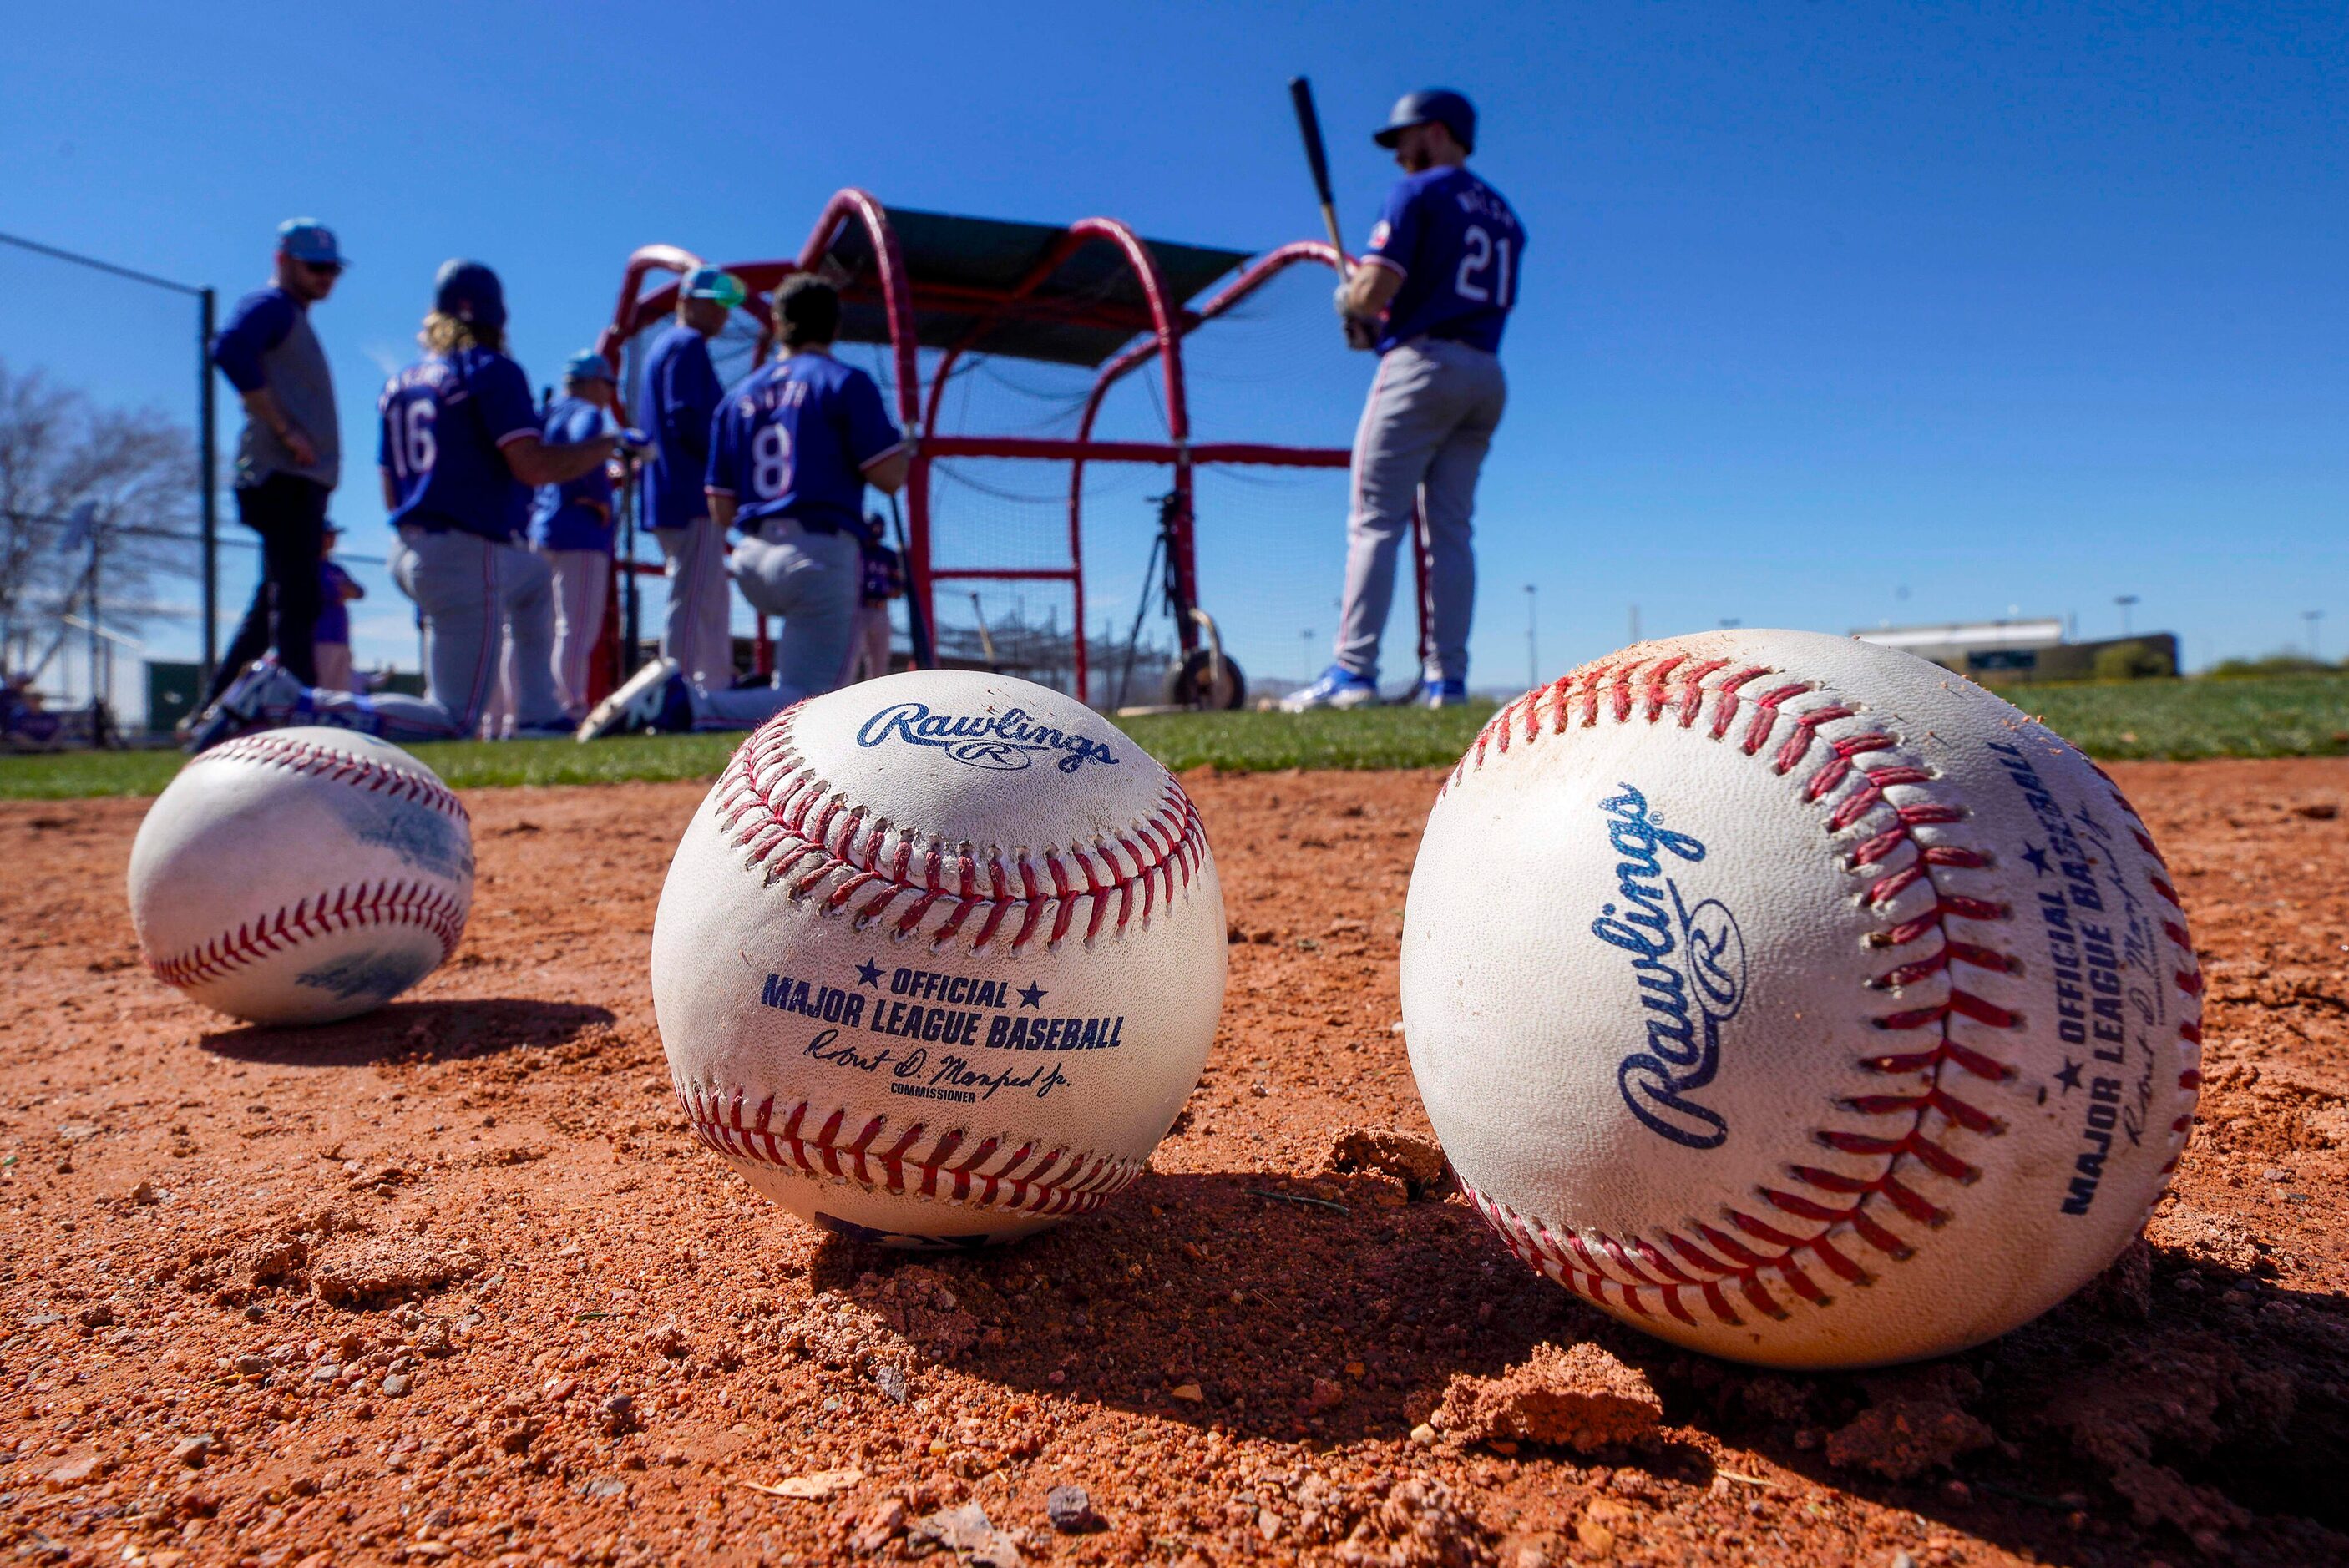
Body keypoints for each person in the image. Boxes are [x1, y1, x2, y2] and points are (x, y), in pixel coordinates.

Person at [191, 260, 621, 751]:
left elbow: (387, 485)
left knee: (535, 578)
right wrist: (606, 447)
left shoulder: (401, 381)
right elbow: (532, 465)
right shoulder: (489, 368)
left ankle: (540, 714)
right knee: (453, 721)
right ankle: (287, 704)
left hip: (412, 548)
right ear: (495, 313)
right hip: (465, 551)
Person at [580, 277, 910, 737]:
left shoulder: (739, 396)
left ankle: (692, 699)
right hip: (818, 552)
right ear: (834, 326)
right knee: (814, 701)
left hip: (753, 560)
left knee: (790, 682)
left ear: (777, 324)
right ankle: (682, 706)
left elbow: (721, 508)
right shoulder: (844, 380)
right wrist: (904, 447)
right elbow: (889, 476)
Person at [1284, 89, 1522, 711]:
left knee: (1374, 520)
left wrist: (1353, 305)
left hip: (1421, 367)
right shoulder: (1504, 213)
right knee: (1450, 531)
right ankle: (1447, 681)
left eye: (1405, 140)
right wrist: (1380, 324)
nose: (1399, 157)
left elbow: (1373, 289)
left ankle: (1352, 672)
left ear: (1436, 132)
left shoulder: (1419, 193)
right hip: (1485, 371)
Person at [195, 219, 347, 717]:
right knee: (298, 599)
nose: (325, 277)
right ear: (283, 261)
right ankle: (298, 707)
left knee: (274, 604)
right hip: (282, 477)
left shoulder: (294, 316)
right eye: (315, 267)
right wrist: (284, 428)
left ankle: (214, 708)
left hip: (298, 479)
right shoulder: (271, 307)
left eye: (332, 269)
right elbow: (229, 348)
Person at [635, 265, 744, 692]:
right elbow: (686, 419)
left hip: (671, 492)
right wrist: (728, 470)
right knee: (694, 597)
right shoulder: (687, 344)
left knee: (709, 595)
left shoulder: (668, 346)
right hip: (690, 493)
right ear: (688, 302)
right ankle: (673, 688)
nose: (722, 315)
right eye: (715, 305)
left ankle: (712, 686)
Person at [532, 351, 627, 721]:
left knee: (534, 630)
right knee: (575, 629)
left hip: (541, 529)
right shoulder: (586, 413)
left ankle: (512, 714)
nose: (610, 393)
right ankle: (568, 707)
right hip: (580, 530)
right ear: (592, 381)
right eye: (608, 384)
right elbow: (582, 446)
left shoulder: (547, 412)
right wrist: (591, 494)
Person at [843, 512, 904, 683]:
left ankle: (875, 700)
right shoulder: (855, 552)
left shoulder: (888, 555)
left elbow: (898, 589)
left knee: (879, 663)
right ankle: (844, 698)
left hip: (880, 610)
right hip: (857, 611)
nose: (876, 530)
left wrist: (884, 590)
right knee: (850, 660)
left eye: (879, 527)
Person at [313, 525, 364, 694]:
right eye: (328, 535)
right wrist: (342, 590)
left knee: (342, 693)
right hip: (320, 639)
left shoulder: (336, 569)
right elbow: (332, 592)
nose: (333, 539)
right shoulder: (311, 568)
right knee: (323, 691)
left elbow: (359, 592)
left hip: (341, 639)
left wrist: (347, 590)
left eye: (333, 535)